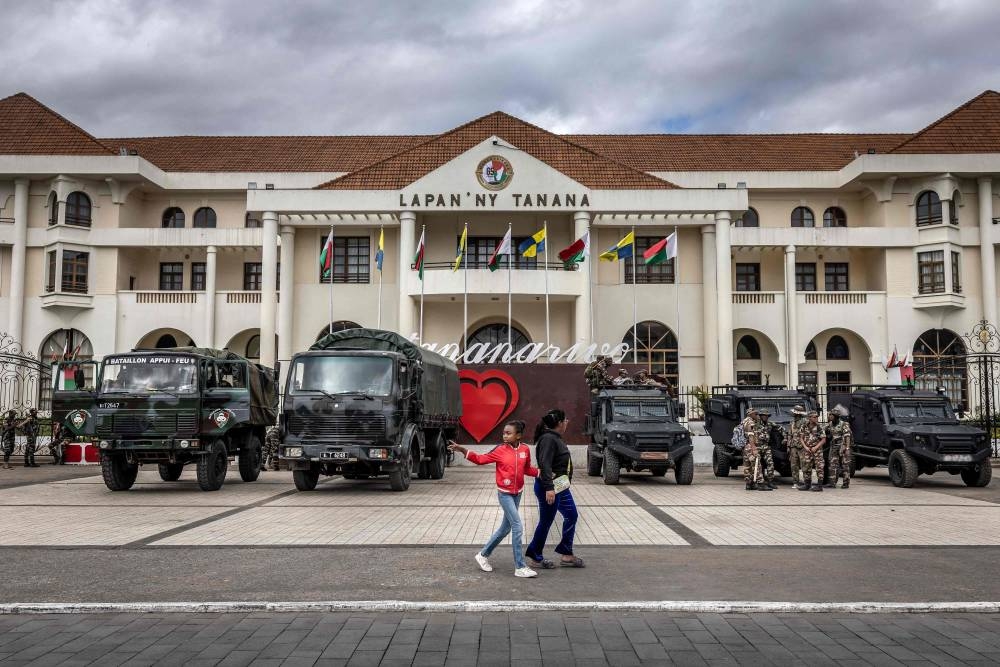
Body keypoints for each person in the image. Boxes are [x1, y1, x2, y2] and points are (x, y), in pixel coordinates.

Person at [448, 420, 539, 578]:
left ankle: (482, 555)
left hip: (518, 493)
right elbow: (480, 459)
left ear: (518, 435)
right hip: (505, 494)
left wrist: (540, 473)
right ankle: (520, 566)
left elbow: (527, 469)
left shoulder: (525, 449)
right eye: (504, 432)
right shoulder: (500, 450)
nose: (505, 435)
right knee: (517, 527)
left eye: (509, 433)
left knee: (505, 529)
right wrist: (463, 450)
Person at [525, 409, 584, 569]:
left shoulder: (555, 438)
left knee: (571, 515)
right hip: (549, 487)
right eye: (565, 420)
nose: (567, 422)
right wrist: (549, 488)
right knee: (546, 522)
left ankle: (566, 554)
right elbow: (545, 464)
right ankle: (535, 557)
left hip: (560, 487)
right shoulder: (548, 439)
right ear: (559, 423)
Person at [825, 405, 853, 489]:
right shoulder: (830, 424)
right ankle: (832, 483)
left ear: (836, 416)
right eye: (830, 415)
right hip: (834, 447)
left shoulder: (844, 424)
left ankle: (846, 483)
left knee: (845, 465)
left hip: (843, 446)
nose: (829, 416)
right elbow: (822, 430)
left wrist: (847, 448)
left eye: (831, 415)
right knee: (832, 465)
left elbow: (847, 436)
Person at [798, 411, 826, 492]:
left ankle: (819, 486)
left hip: (817, 451)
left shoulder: (819, 427)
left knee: (819, 467)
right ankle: (807, 484)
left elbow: (823, 439)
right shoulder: (804, 426)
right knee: (806, 467)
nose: (816, 418)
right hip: (807, 450)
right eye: (814, 417)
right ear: (809, 418)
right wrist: (805, 447)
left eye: (817, 417)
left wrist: (816, 447)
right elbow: (801, 438)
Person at [741, 408, 763, 491]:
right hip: (750, 446)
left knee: (747, 466)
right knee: (756, 464)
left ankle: (749, 484)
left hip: (745, 447)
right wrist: (754, 449)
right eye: (755, 414)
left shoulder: (744, 421)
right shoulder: (750, 422)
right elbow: (751, 436)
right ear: (751, 414)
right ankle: (760, 483)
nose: (757, 415)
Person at [755, 408, 777, 489]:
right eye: (763, 415)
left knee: (770, 463)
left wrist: (785, 438)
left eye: (767, 416)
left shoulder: (770, 424)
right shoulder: (755, 424)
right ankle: (758, 481)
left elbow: (781, 429)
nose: (765, 417)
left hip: (766, 446)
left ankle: (770, 481)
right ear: (760, 416)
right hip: (757, 446)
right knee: (758, 464)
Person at [786, 405, 807, 486]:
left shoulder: (805, 422)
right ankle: (795, 482)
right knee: (794, 465)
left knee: (804, 465)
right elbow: (790, 435)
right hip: (793, 447)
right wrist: (788, 446)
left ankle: (806, 482)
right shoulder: (792, 423)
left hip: (802, 447)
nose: (794, 415)